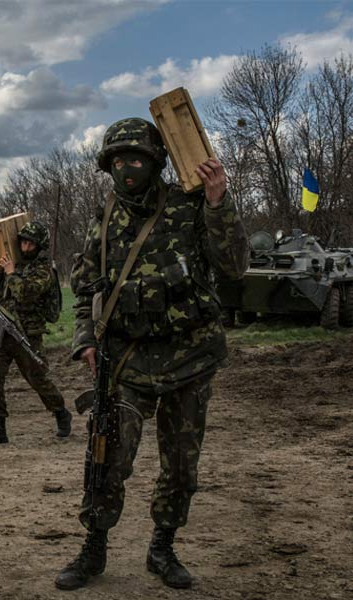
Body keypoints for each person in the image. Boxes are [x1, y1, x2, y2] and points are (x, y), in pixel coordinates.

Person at [55, 118, 249, 591]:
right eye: (118, 161)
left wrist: (219, 203)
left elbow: (234, 266)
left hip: (190, 357)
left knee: (181, 463)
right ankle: (94, 547)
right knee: (107, 457)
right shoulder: (100, 222)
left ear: (156, 162)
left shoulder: (190, 205)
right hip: (125, 361)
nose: (127, 169)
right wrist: (84, 340)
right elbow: (84, 294)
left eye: (136, 159)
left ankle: (163, 547)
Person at [0, 221, 71, 445]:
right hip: (1, 331)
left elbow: (26, 293)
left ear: (39, 246)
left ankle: (60, 413)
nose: (25, 246)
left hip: (28, 334)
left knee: (38, 378)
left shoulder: (43, 270)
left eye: (30, 243)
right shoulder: (15, 265)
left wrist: (11, 273)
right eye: (22, 242)